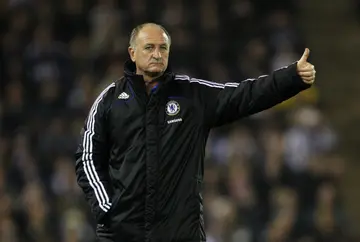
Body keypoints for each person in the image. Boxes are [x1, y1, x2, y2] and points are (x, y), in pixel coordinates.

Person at [74, 22, 316, 242]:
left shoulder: (192, 96)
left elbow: (245, 95)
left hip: (180, 234)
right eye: (149, 47)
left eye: (163, 48)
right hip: (122, 236)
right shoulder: (110, 100)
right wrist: (107, 207)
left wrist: (291, 77)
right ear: (132, 53)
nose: (157, 54)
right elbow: (87, 157)